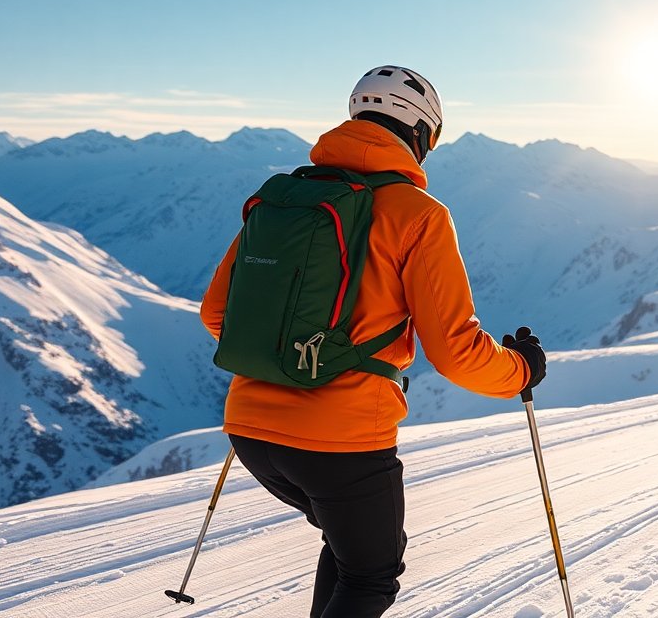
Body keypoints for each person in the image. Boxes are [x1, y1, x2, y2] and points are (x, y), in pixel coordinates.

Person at [200, 65, 547, 617]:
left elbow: (216, 314)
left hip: (251, 434)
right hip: (343, 444)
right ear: (419, 134)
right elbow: (455, 352)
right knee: (370, 579)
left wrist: (290, 354)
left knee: (350, 556)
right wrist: (520, 370)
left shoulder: (280, 201)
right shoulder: (419, 215)